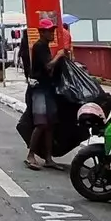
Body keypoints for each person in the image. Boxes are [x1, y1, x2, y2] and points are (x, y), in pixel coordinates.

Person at [24, 14, 67, 170]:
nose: (52, 33)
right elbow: (48, 66)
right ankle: (30, 155)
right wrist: (59, 56)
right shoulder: (40, 46)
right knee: (42, 123)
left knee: (50, 124)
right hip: (39, 89)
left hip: (47, 88)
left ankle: (48, 158)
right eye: (49, 31)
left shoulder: (44, 46)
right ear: (42, 32)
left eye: (52, 31)